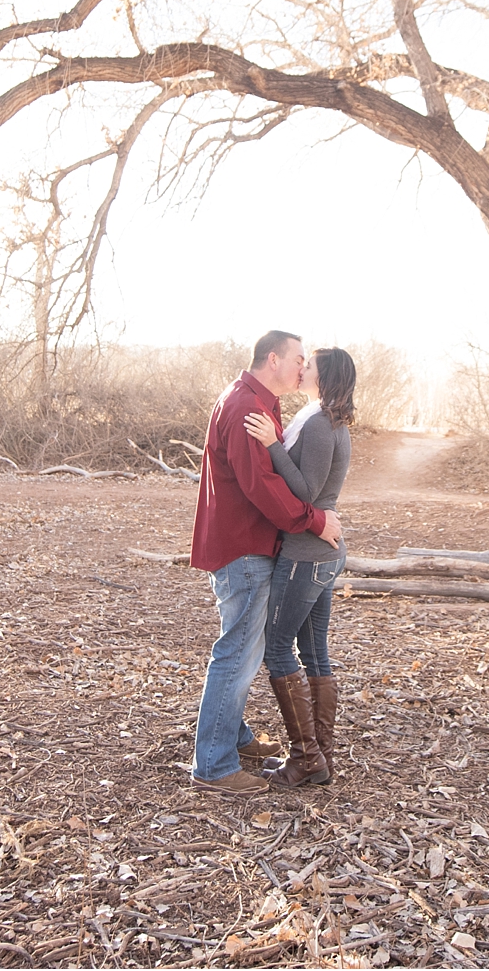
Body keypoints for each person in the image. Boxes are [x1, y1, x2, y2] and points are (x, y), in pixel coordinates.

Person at [188, 330, 342, 794]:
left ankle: (232, 738)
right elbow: (262, 486)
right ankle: (213, 766)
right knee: (236, 653)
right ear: (273, 359)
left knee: (244, 650)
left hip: (248, 543)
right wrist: (314, 520)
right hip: (244, 547)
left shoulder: (258, 402)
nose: (302, 366)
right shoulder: (246, 408)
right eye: (298, 358)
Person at [242, 345, 354, 787]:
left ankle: (307, 757)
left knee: (277, 648)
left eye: (310, 365)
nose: (302, 367)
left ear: (324, 377)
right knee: (313, 652)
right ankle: (318, 757)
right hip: (319, 552)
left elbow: (306, 492)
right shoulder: (317, 417)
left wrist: (271, 445)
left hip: (308, 555)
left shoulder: (323, 425)